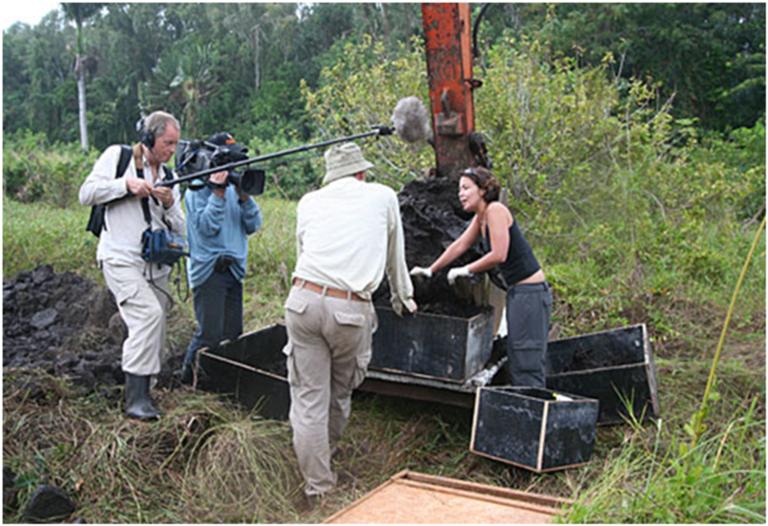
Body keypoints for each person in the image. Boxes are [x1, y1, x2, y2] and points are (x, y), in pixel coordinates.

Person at [285, 142, 417, 500]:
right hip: (348, 309)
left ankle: (318, 487)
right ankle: (326, 458)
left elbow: (302, 254)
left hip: (302, 301)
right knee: (338, 394)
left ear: (331, 176)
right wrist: (402, 298)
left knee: (310, 399)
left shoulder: (309, 201)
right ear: (361, 173)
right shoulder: (383, 196)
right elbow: (396, 254)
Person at [79, 110, 185, 420]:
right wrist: (126, 185)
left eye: (176, 144)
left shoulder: (169, 176)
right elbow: (87, 193)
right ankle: (135, 400)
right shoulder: (118, 156)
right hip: (120, 256)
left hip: (155, 262)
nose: (171, 150)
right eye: (167, 143)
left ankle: (147, 389)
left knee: (159, 325)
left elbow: (180, 227)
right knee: (147, 315)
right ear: (149, 138)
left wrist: (167, 204)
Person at [410, 166, 552, 387]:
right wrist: (432, 269)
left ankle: (535, 413)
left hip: (531, 293)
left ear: (484, 190)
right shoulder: (481, 217)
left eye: (466, 188)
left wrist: (467, 270)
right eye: (459, 189)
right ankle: (525, 410)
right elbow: (460, 245)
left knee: (527, 360)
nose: (461, 194)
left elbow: (499, 254)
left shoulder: (495, 210)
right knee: (517, 356)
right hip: (517, 292)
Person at [180, 133, 263, 384]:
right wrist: (217, 193)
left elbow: (254, 225)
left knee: (233, 333)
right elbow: (206, 228)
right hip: (209, 271)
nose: (233, 169)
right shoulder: (195, 191)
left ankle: (220, 381)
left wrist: (245, 197)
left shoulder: (235, 191)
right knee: (209, 334)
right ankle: (187, 380)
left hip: (234, 270)